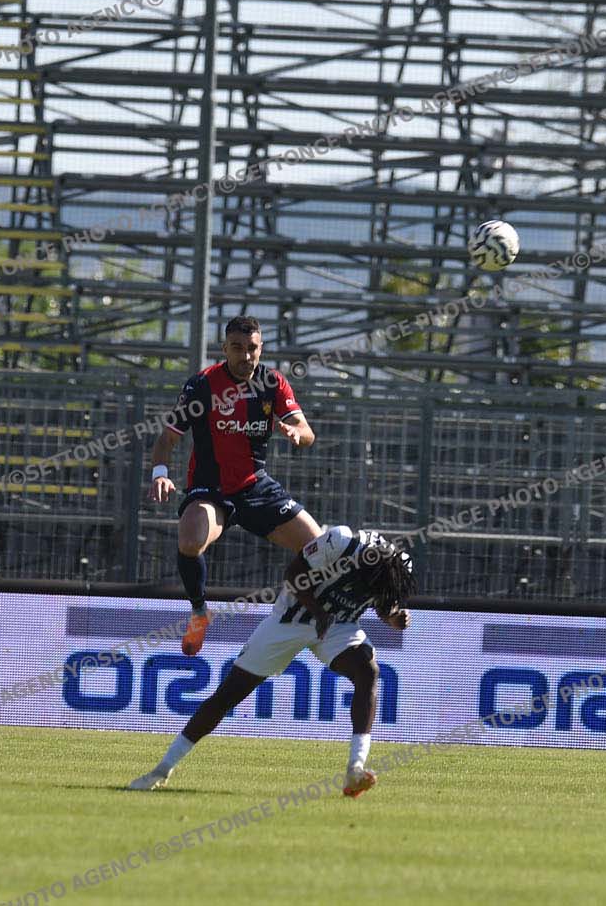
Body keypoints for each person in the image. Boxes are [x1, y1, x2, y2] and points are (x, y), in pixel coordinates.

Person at [128, 525, 415, 799]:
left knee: (368, 672)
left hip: (339, 626)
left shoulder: (396, 568)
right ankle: (162, 769)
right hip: (290, 620)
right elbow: (293, 573)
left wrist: (392, 617)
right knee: (228, 695)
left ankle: (355, 768)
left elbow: (384, 605)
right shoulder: (341, 542)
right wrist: (318, 612)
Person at [148, 315, 320, 656]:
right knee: (190, 540)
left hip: (256, 487)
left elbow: (307, 432)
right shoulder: (202, 385)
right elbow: (167, 438)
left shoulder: (273, 382)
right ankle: (199, 612)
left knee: (319, 548)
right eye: (237, 348)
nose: (246, 355)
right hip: (211, 489)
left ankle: (304, 614)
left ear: (261, 348)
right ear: (224, 349)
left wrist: (297, 434)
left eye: (252, 348)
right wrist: (160, 474)